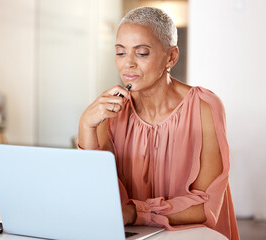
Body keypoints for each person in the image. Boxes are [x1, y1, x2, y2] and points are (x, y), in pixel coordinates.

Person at [78, 7, 239, 240]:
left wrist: (136, 212)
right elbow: (96, 198)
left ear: (171, 57)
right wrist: (86, 125)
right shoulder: (112, 111)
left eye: (141, 53)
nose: (128, 64)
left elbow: (205, 207)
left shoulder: (204, 106)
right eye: (120, 53)